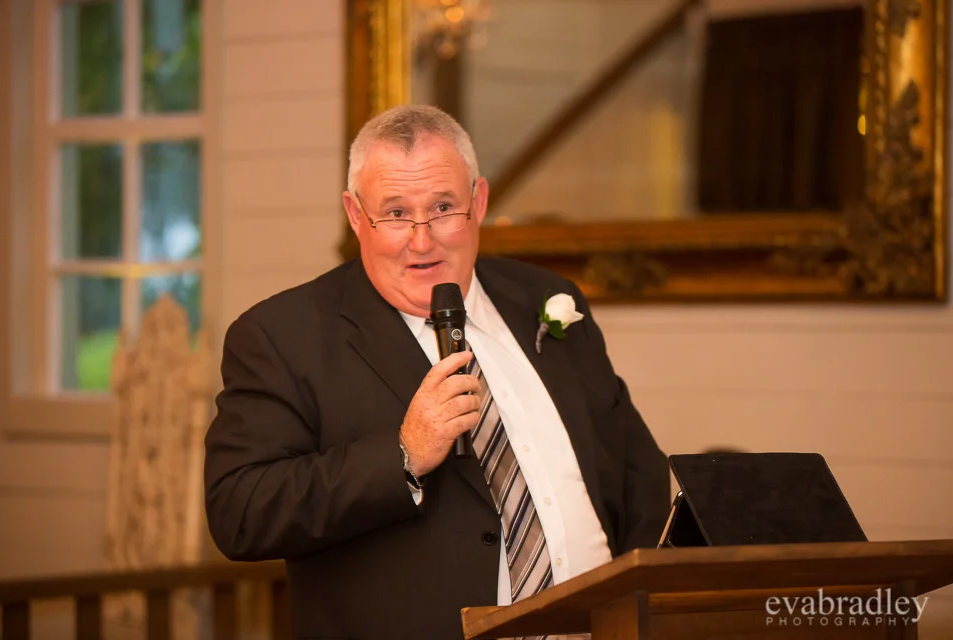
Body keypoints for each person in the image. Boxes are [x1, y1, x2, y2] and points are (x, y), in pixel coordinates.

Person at [204, 104, 670, 639]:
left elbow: (638, 472)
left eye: (444, 207)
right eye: (396, 213)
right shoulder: (282, 337)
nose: (422, 241)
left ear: (479, 202)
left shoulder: (545, 298)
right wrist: (401, 455)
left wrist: (642, 610)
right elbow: (239, 512)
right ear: (356, 216)